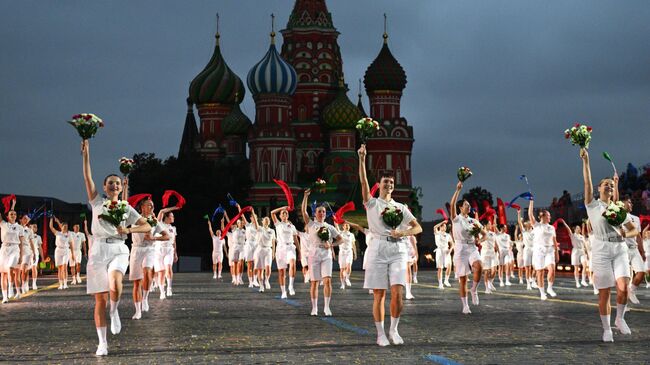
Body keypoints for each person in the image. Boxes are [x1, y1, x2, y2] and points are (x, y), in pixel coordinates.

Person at [81, 139, 151, 356]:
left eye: (117, 183)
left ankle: (115, 310)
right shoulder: (97, 203)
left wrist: (128, 231)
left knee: (115, 282)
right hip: (98, 250)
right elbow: (87, 177)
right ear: (104, 187)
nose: (114, 185)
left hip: (119, 249)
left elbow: (146, 224)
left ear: (122, 188)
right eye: (110, 183)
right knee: (100, 299)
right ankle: (102, 343)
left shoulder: (126, 207)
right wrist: (86, 154)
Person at [358, 144, 422, 346]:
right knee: (379, 294)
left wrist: (403, 231)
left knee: (398, 292)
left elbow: (418, 228)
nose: (389, 185)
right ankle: (380, 334)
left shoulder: (401, 207)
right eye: (385, 181)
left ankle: (394, 330)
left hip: (397, 249)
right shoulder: (372, 203)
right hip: (378, 249)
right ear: (380, 184)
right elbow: (363, 182)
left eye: (391, 182)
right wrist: (361, 159)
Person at [579, 148, 638, 342]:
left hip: (620, 248)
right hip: (601, 249)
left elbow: (633, 230)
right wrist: (586, 160)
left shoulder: (618, 208)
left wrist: (624, 232)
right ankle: (607, 329)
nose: (609, 187)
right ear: (599, 188)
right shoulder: (592, 205)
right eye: (606, 184)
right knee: (604, 292)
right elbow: (587, 181)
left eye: (612, 185)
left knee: (623, 286)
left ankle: (619, 319)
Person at [301, 189, 342, 317]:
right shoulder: (311, 224)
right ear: (315, 213)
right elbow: (303, 211)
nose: (322, 213)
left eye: (323, 211)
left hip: (326, 255)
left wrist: (332, 245)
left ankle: (327, 307)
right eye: (319, 211)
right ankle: (314, 308)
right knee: (314, 282)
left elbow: (341, 240)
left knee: (328, 281)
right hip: (314, 253)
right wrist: (306, 197)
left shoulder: (330, 227)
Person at [129, 198, 169, 319]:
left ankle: (145, 298)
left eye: (152, 206)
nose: (151, 208)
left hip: (149, 250)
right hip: (136, 250)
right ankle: (137, 310)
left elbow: (167, 236)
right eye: (149, 205)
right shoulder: (134, 218)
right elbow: (125, 205)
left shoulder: (154, 222)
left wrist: (154, 238)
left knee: (147, 272)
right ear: (141, 207)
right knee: (137, 282)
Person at [449, 180, 485, 314]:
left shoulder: (473, 221)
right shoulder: (456, 219)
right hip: (460, 248)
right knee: (463, 279)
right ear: (460, 207)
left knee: (479, 266)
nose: (469, 207)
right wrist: (457, 190)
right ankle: (465, 305)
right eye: (466, 205)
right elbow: (452, 204)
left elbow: (485, 234)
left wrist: (480, 240)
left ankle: (474, 289)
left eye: (469, 205)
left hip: (472, 247)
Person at [528, 199, 559, 301]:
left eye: (550, 216)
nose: (550, 217)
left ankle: (549, 288)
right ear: (542, 216)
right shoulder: (537, 225)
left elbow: (554, 240)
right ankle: (542, 292)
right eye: (548, 216)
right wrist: (531, 202)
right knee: (540, 272)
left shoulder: (551, 228)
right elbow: (530, 214)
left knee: (552, 269)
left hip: (550, 250)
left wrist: (557, 252)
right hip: (539, 250)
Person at [1, 199, 26, 302]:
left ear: (16, 216)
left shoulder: (19, 227)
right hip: (4, 249)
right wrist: (13, 205)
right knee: (3, 274)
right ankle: (5, 297)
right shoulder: (3, 224)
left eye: (14, 214)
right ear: (7, 216)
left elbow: (21, 242)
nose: (13, 215)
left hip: (15, 249)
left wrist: (21, 255)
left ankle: (11, 288)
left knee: (11, 268)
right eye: (11, 214)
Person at [271, 206, 300, 297]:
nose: (284, 214)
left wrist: (300, 251)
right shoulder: (278, 224)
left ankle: (291, 286)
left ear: (288, 215)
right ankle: (283, 291)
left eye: (286, 213)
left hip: (290, 247)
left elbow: (295, 239)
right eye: (282, 213)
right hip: (280, 248)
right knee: (282, 272)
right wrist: (283, 208)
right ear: (280, 216)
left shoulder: (292, 226)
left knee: (292, 263)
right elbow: (272, 212)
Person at [621, 197, 645, 304]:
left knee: (641, 272)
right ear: (622, 203)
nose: (631, 204)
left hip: (634, 249)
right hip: (623, 249)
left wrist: (642, 250)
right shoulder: (618, 216)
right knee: (626, 278)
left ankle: (632, 291)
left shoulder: (636, 218)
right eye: (629, 202)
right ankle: (624, 304)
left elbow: (638, 235)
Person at [154, 208, 179, 298]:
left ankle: (169, 288)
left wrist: (175, 253)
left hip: (169, 249)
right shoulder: (159, 224)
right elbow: (161, 211)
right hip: (159, 250)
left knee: (168, 268)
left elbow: (174, 242)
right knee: (161, 272)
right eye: (172, 216)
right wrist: (175, 207)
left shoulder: (173, 228)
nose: (173, 217)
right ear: (167, 217)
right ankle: (162, 292)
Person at [559, 219, 588, 288]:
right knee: (576, 267)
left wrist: (587, 252)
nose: (579, 229)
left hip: (582, 251)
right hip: (575, 251)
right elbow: (568, 229)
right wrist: (565, 224)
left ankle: (583, 280)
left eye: (579, 228)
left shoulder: (582, 237)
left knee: (585, 265)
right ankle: (577, 282)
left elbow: (585, 245)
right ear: (574, 229)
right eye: (578, 228)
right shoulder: (573, 235)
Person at [50, 217, 74, 290]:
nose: (65, 227)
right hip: (58, 251)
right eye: (64, 226)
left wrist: (73, 254)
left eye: (66, 226)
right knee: (60, 268)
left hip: (66, 251)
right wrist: (51, 219)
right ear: (61, 227)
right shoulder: (58, 233)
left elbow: (71, 245)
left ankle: (65, 283)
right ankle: (60, 284)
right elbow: (51, 227)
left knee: (64, 267)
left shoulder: (69, 234)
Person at [253, 216, 275, 293]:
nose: (266, 221)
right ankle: (261, 286)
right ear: (262, 222)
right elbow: (255, 223)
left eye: (267, 220)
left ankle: (267, 280)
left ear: (269, 222)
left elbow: (273, 242)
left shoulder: (272, 231)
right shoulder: (259, 229)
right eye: (265, 220)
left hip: (268, 250)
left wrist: (273, 252)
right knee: (260, 269)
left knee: (268, 268)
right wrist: (252, 212)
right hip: (260, 249)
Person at [480, 220, 499, 294]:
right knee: (486, 271)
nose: (490, 225)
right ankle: (487, 288)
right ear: (485, 225)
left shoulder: (493, 233)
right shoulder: (481, 232)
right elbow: (480, 240)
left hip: (492, 252)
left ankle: (490, 282)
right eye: (489, 224)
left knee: (494, 270)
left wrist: (499, 251)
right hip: (485, 252)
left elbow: (496, 243)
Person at [433, 221, 452, 289]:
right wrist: (442, 222)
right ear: (440, 227)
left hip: (446, 251)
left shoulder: (448, 235)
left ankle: (446, 281)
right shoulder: (437, 233)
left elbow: (452, 243)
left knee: (449, 266)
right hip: (439, 251)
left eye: (445, 226)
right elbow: (435, 227)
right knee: (440, 268)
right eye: (443, 226)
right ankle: (440, 284)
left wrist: (450, 249)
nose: (445, 227)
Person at [30, 223, 43, 290]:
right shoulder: (26, 234)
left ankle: (34, 283)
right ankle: (24, 284)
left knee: (34, 268)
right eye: (34, 227)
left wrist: (43, 258)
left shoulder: (38, 237)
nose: (35, 228)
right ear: (30, 227)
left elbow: (40, 248)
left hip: (35, 253)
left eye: (36, 227)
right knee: (24, 270)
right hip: (27, 252)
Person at [404, 235, 418, 300]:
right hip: (401, 252)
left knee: (408, 269)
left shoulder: (412, 237)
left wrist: (416, 253)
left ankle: (408, 292)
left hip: (409, 254)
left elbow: (414, 245)